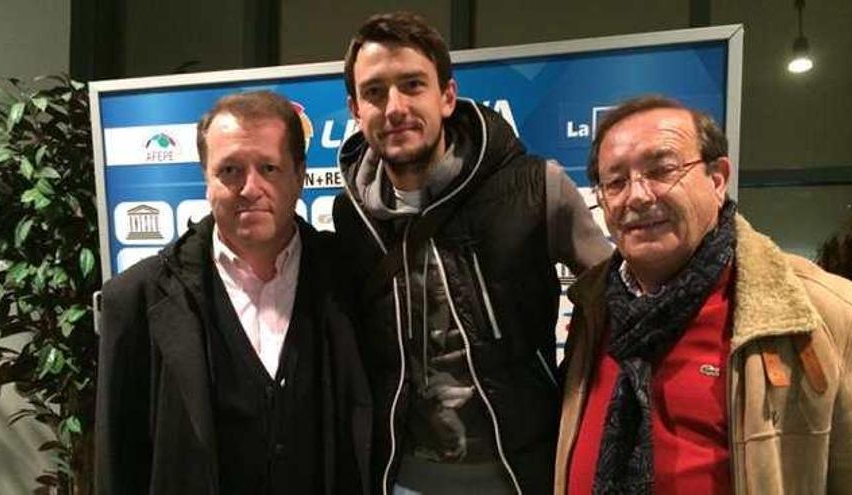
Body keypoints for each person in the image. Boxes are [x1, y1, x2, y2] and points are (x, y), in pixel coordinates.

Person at [333, 12, 612, 494]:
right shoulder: (351, 215)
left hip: (520, 472)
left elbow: (620, 299)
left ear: (447, 97)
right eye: (375, 92)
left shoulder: (534, 187)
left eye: (412, 85)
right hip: (399, 476)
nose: (395, 106)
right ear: (356, 110)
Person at [554, 95, 852, 494]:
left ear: (717, 179)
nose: (638, 196)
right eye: (616, 182)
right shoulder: (593, 308)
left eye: (661, 170)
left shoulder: (824, 312)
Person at [95, 90, 371, 494]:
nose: (249, 187)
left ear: (299, 174)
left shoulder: (351, 281)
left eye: (269, 168)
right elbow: (118, 463)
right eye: (230, 170)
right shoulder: (136, 299)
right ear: (206, 178)